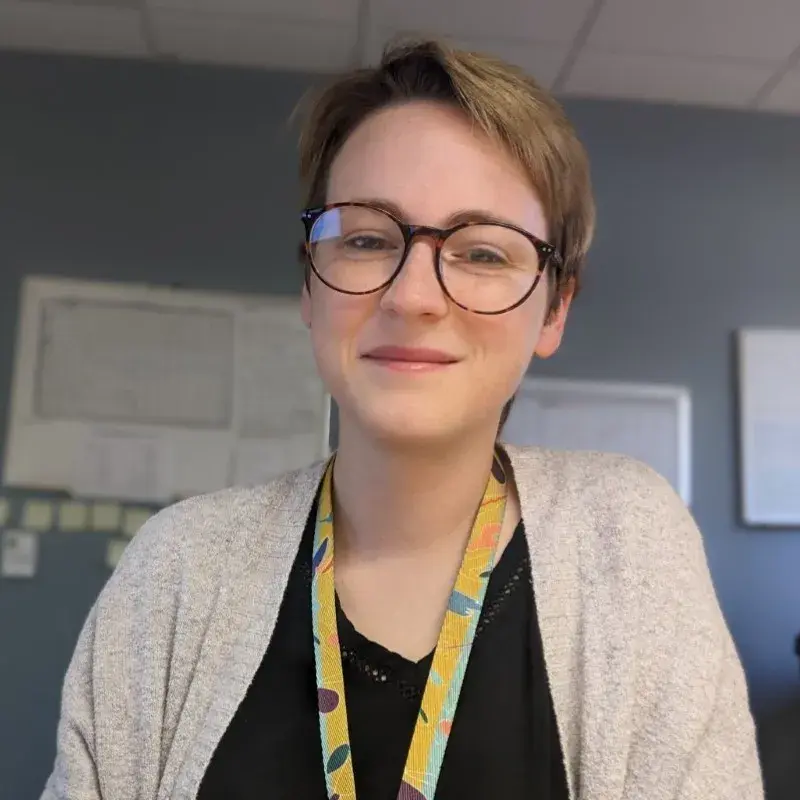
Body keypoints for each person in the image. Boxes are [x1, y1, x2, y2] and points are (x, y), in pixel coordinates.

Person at [42, 39, 763, 800]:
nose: (412, 296)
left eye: (483, 253)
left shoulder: (628, 542)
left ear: (555, 309)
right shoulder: (178, 568)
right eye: (365, 240)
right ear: (309, 288)